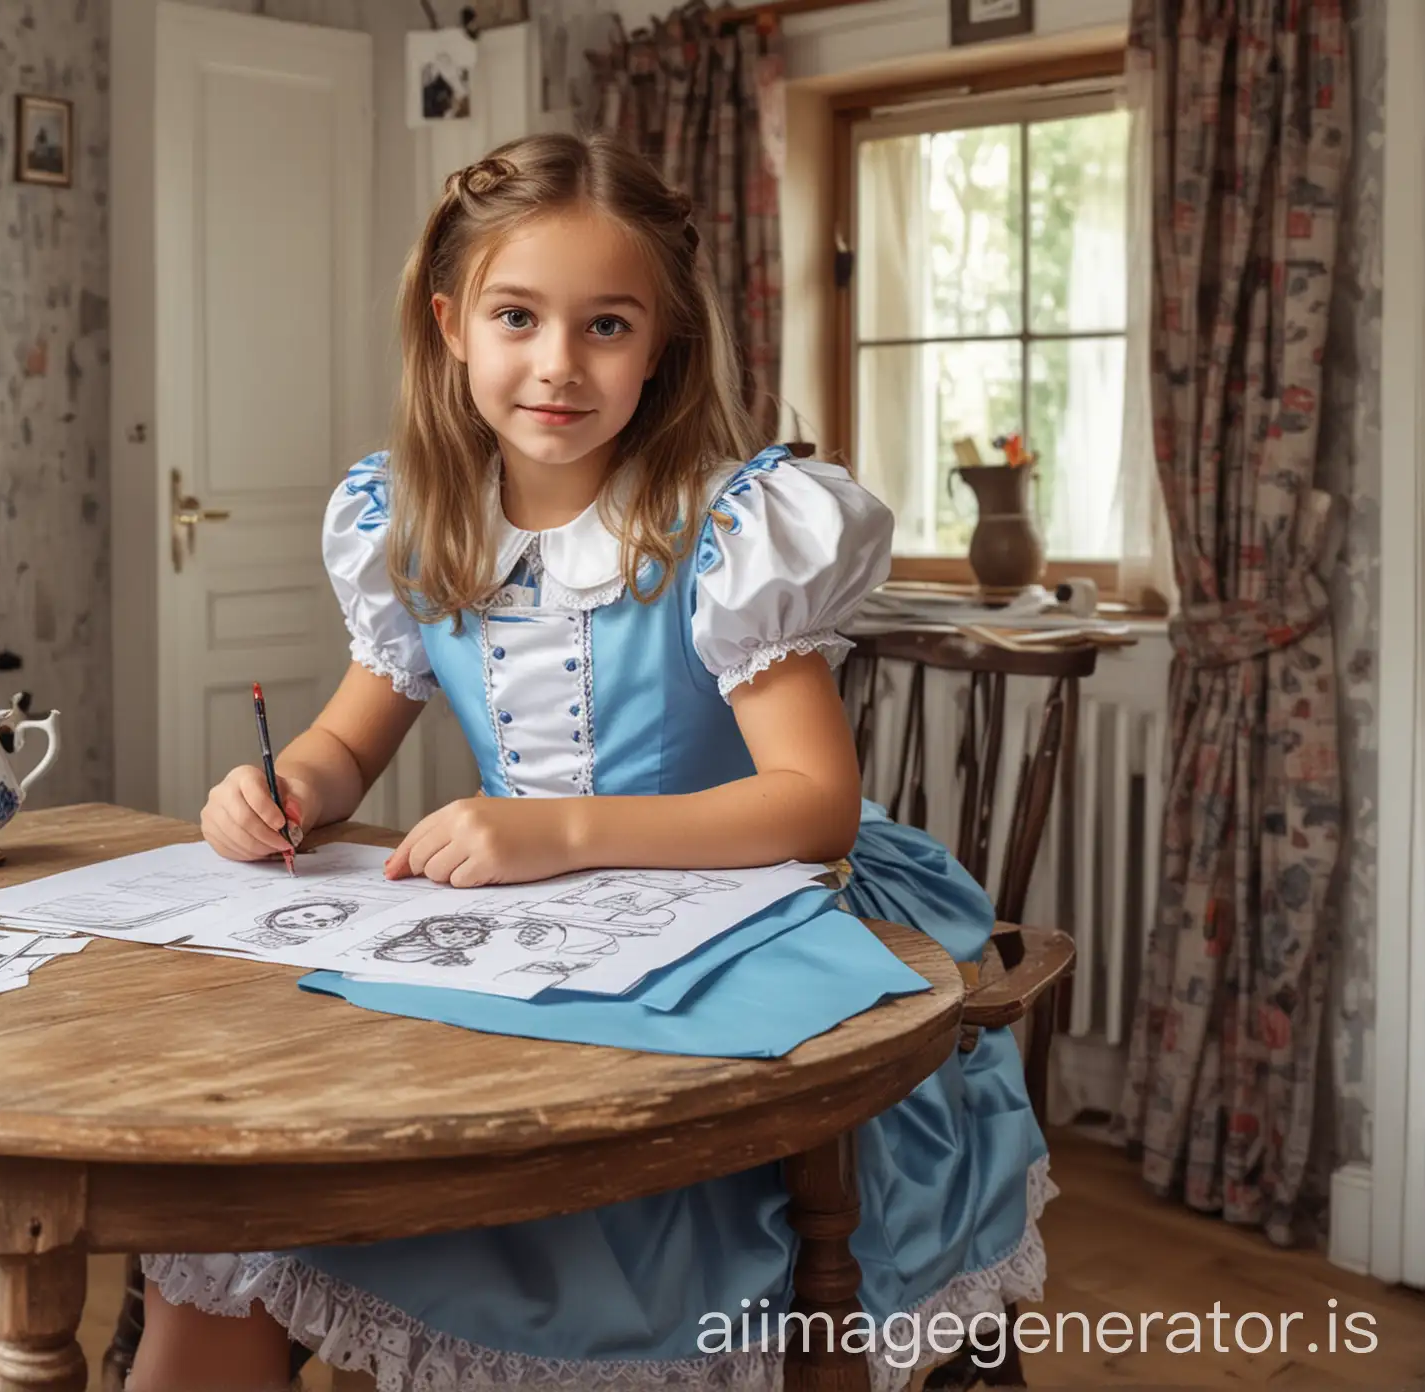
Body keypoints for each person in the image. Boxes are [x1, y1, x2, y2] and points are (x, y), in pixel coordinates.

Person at [128, 132, 1052, 1392]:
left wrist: (559, 833)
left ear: (662, 341)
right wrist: (287, 788)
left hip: (752, 904)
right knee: (232, 1221)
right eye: (518, 316)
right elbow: (351, 736)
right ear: (453, 325)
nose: (558, 365)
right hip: (524, 919)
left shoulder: (729, 528)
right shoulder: (409, 518)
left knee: (582, 1185)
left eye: (607, 326)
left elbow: (814, 805)